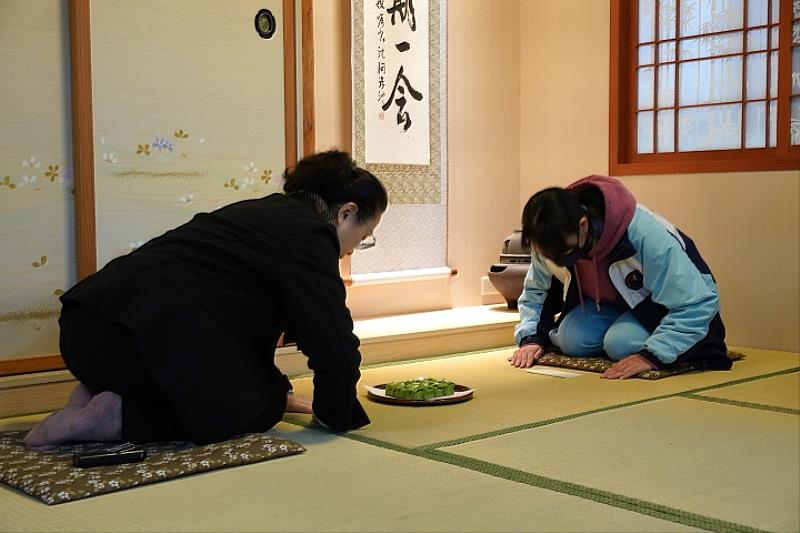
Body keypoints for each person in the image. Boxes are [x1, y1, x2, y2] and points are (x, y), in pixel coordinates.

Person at [24, 150, 388, 448]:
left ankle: (95, 397)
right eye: (364, 236)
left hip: (83, 331)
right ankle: (113, 418)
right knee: (252, 411)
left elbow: (233, 336)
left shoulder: (259, 215)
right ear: (346, 213)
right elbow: (332, 340)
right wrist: (334, 413)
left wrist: (273, 391)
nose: (353, 249)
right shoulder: (310, 234)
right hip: (132, 343)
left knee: (265, 395)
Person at [510, 174, 729, 379]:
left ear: (583, 225)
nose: (554, 259)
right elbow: (536, 291)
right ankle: (619, 332)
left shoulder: (644, 234)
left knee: (620, 344)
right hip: (608, 306)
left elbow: (697, 303)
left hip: (661, 309)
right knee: (570, 339)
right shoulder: (549, 240)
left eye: (562, 255)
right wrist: (531, 338)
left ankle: (626, 336)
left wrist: (652, 355)